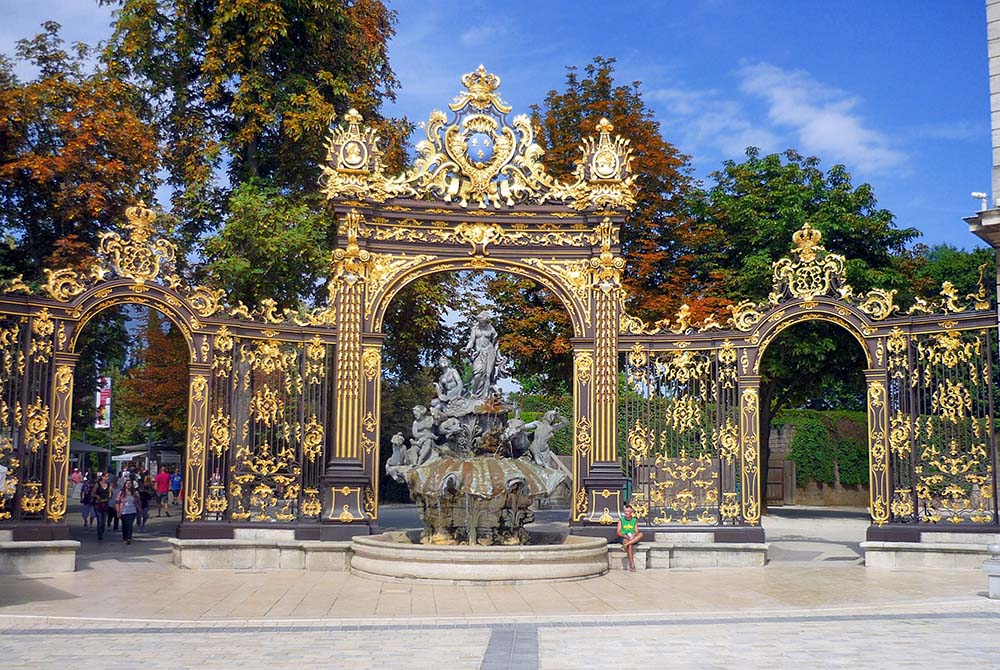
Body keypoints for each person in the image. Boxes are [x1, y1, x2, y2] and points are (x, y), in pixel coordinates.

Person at [463, 312, 506, 400]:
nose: (480, 322)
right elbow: (471, 341)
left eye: (482, 320)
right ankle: (475, 394)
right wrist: (467, 349)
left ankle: (485, 396)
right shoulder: (475, 328)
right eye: (479, 320)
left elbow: (495, 344)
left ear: (486, 320)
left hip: (490, 352)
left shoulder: (491, 329)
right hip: (479, 353)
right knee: (477, 374)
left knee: (488, 374)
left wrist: (499, 356)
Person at [617, 503, 645, 572]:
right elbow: (618, 532)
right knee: (630, 545)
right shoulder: (621, 520)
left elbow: (637, 531)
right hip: (625, 536)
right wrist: (624, 535)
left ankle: (625, 545)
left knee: (641, 534)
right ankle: (632, 565)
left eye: (628, 511)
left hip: (632, 537)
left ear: (631, 512)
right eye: (625, 511)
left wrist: (634, 535)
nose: (626, 513)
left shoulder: (634, 521)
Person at [116, 478, 142, 545]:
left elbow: (139, 501)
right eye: (127, 483)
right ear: (125, 485)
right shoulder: (121, 493)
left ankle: (129, 538)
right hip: (123, 510)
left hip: (132, 510)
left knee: (129, 524)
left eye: (130, 483)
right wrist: (118, 511)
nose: (128, 485)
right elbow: (117, 502)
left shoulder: (135, 493)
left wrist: (139, 509)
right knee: (124, 525)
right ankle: (125, 537)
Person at [90, 473, 113, 542]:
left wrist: (111, 492)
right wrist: (97, 496)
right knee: (99, 520)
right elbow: (92, 493)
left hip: (105, 504)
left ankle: (101, 532)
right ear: (102, 477)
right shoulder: (97, 484)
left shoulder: (109, 485)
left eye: (108, 476)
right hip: (98, 504)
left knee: (103, 521)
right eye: (106, 476)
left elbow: (110, 497)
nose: (107, 478)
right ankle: (100, 536)